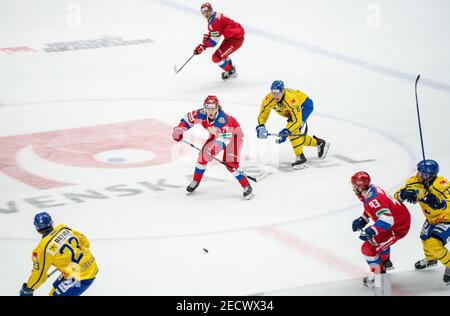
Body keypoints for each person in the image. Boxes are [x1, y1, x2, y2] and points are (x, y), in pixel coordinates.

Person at [172, 95, 254, 200]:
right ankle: (196, 180)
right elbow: (187, 119)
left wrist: (212, 150)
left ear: (217, 108)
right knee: (202, 157)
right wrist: (179, 130)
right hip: (217, 136)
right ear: (204, 107)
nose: (210, 111)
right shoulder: (200, 114)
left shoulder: (222, 119)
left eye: (213, 108)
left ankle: (246, 185)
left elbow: (225, 138)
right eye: (208, 108)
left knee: (230, 164)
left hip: (234, 137)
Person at [394, 159, 450, 284]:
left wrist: (440, 204)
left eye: (424, 174)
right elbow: (396, 195)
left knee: (433, 244)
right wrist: (403, 194)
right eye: (419, 172)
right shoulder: (414, 181)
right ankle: (431, 259)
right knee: (424, 239)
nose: (420, 175)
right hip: (431, 219)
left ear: (432, 175)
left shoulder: (441, 184)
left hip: (446, 219)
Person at [351, 171, 411, 287]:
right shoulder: (371, 190)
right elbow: (376, 209)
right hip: (398, 221)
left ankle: (380, 277)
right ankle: (385, 262)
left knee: (368, 248)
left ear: (360, 186)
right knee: (377, 240)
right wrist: (364, 218)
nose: (353, 188)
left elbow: (388, 220)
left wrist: (372, 230)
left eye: (355, 185)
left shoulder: (374, 198)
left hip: (398, 228)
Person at [19, 212, 98, 296]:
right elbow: (85, 242)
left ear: (37, 228)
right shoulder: (63, 228)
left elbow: (39, 274)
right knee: (53, 292)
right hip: (91, 264)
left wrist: (29, 288)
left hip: (80, 276)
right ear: (51, 222)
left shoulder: (42, 249)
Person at [256, 80, 330, 169]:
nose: (275, 96)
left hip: (304, 106)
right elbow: (263, 115)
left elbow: (297, 120)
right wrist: (261, 126)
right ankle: (319, 143)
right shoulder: (268, 99)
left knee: (293, 132)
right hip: (292, 113)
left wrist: (286, 131)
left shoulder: (291, 99)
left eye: (278, 93)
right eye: (273, 93)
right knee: (296, 135)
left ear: (283, 91)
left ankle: (301, 158)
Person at [193, 2, 245, 80]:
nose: (206, 14)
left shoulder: (213, 22)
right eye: (203, 13)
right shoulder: (215, 15)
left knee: (216, 57)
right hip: (232, 37)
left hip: (235, 40)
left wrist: (203, 46)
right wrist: (209, 36)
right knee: (221, 55)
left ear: (211, 10)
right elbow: (218, 30)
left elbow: (213, 42)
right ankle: (230, 70)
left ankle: (231, 71)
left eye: (207, 12)